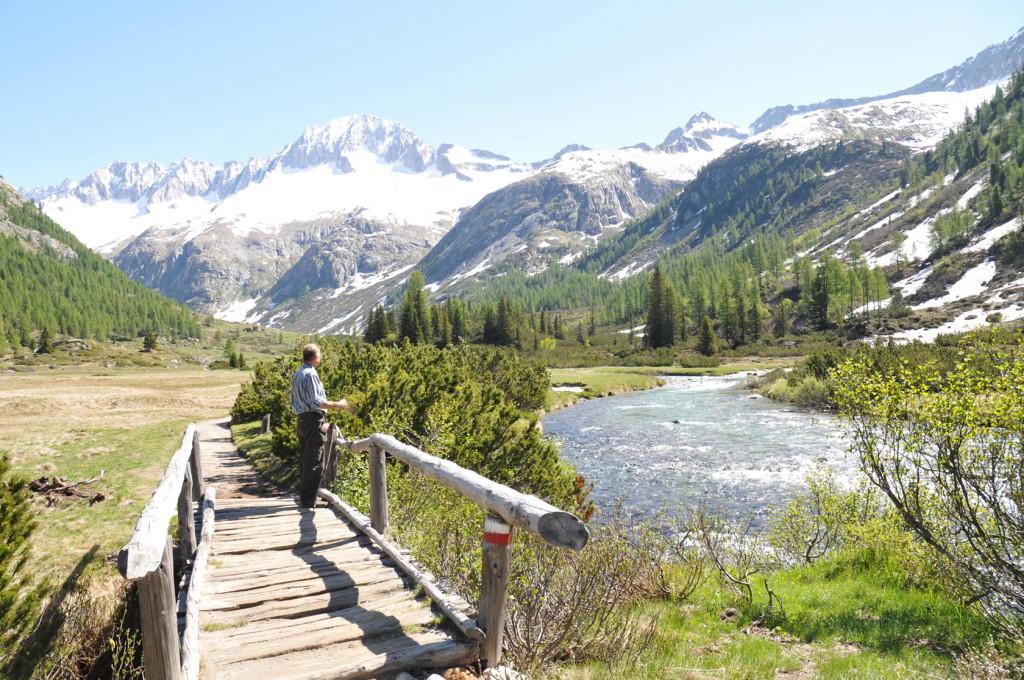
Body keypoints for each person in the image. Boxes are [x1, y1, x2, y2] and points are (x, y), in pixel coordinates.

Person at [290, 343, 349, 507]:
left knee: (305, 460)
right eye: (320, 355)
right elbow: (317, 402)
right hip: (312, 420)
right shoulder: (310, 374)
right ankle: (309, 501)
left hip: (302, 420)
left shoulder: (298, 373)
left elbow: (295, 400)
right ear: (315, 357)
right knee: (314, 461)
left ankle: (306, 497)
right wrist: (338, 404)